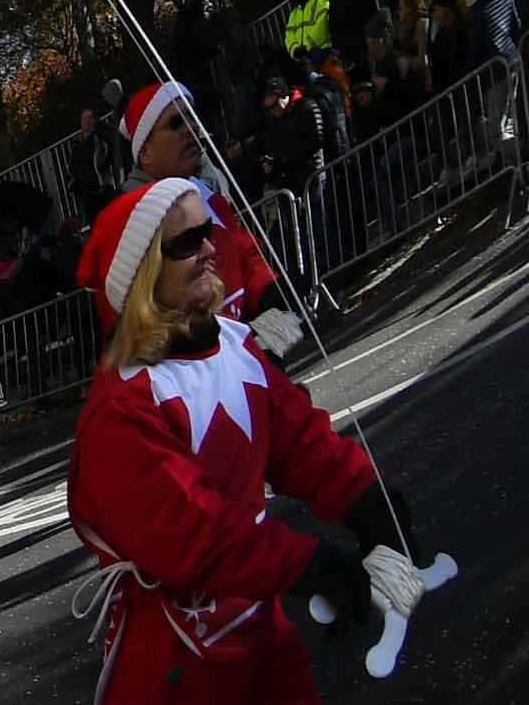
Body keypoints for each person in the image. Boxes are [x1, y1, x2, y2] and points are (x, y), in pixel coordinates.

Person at [66, 177, 409, 703]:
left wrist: (371, 503)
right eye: (185, 243)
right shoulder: (122, 407)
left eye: (206, 231)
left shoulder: (235, 345)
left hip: (259, 624)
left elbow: (302, 442)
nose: (208, 249)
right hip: (176, 664)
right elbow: (194, 533)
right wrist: (310, 565)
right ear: (142, 274)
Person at [122, 80, 302, 351]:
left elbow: (246, 252)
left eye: (190, 119)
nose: (190, 129)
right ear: (145, 153)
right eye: (175, 124)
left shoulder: (207, 195)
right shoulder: (136, 223)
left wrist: (270, 291)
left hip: (246, 348)